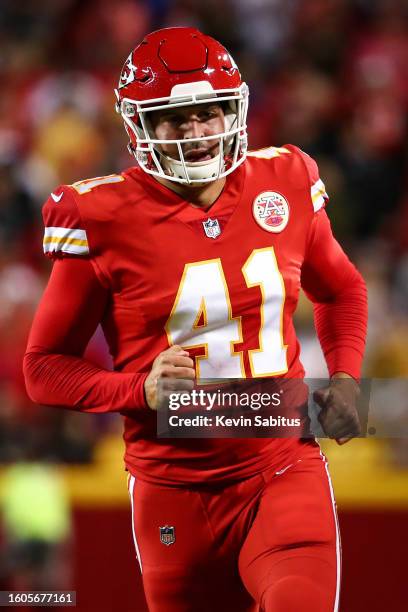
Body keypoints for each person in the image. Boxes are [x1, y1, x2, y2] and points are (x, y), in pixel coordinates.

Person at [23, 27, 367, 612]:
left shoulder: (283, 178)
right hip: (171, 490)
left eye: (210, 112)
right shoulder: (100, 216)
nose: (197, 132)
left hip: (281, 462)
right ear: (138, 127)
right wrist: (139, 389)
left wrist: (346, 376)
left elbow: (341, 289)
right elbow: (42, 369)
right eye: (174, 117)